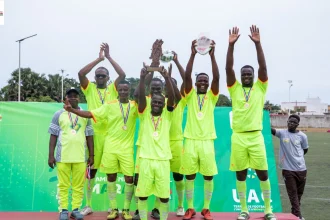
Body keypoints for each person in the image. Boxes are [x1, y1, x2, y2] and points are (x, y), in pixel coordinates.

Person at [64, 81, 137, 220]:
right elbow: (90, 114)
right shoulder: (109, 105)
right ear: (118, 91)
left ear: (129, 90)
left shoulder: (135, 105)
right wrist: (72, 110)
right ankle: (114, 208)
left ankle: (126, 210)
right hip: (110, 146)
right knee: (109, 176)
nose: (122, 92)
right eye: (120, 90)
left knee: (129, 178)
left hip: (126, 149)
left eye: (125, 90)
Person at [225, 25, 276, 220]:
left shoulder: (260, 88)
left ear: (254, 77)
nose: (247, 76)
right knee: (241, 175)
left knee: (263, 173)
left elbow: (263, 67)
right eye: (244, 74)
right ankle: (244, 209)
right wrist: (231, 46)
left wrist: (258, 44)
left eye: (249, 74)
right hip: (238, 137)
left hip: (256, 136)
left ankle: (268, 210)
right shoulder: (234, 88)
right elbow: (228, 68)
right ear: (240, 76)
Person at [78, 43, 126, 215]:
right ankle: (88, 204)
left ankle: (112, 205)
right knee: (91, 169)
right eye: (97, 75)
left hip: (111, 135)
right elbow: (81, 73)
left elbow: (122, 74)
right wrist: (98, 59)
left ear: (107, 78)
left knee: (111, 171)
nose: (100, 77)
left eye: (103, 75)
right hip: (93, 135)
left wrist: (109, 57)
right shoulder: (89, 88)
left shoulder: (113, 89)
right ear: (95, 78)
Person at [180, 39, 220, 220]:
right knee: (189, 175)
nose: (203, 82)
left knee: (208, 176)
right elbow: (186, 76)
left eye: (206, 80)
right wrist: (192, 54)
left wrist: (212, 56)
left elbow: (217, 78)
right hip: (190, 140)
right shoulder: (189, 96)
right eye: (200, 80)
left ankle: (206, 208)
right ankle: (190, 208)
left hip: (207, 141)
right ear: (195, 84)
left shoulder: (212, 97)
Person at [135, 64, 175, 220]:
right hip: (146, 159)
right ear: (150, 102)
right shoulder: (144, 114)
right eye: (154, 102)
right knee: (143, 195)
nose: (157, 104)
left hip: (163, 160)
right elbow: (140, 97)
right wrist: (142, 78)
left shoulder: (167, 116)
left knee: (164, 197)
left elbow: (171, 98)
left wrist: (166, 77)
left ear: (164, 105)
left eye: (160, 103)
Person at [48, 88, 94, 220]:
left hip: (80, 157)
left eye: (75, 96)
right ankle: (63, 210)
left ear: (79, 99)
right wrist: (51, 155)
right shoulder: (58, 114)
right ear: (65, 99)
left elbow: (89, 136)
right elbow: (53, 136)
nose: (73, 98)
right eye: (70, 96)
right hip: (63, 156)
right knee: (63, 185)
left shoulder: (84, 115)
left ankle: (75, 210)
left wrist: (91, 155)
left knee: (78, 185)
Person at [132, 66, 165, 220]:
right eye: (154, 88)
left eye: (159, 88)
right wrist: (143, 78)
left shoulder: (164, 104)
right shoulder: (147, 105)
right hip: (144, 147)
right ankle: (140, 210)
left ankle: (157, 209)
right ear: (150, 88)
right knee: (138, 179)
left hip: (162, 148)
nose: (157, 90)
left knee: (161, 184)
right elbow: (138, 95)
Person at [271, 114, 308, 220]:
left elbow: (305, 150)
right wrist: (265, 115)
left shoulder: (303, 136)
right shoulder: (282, 133)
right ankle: (298, 216)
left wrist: (296, 158)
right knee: (293, 194)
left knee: (299, 194)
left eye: (293, 122)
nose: (291, 124)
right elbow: (270, 130)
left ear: (297, 124)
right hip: (288, 170)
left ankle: (294, 214)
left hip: (302, 169)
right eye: (289, 122)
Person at [166, 51, 186, 216]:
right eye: (168, 85)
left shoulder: (180, 101)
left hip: (177, 142)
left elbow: (186, 79)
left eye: (174, 84)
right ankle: (161, 207)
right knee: (162, 176)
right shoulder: (160, 102)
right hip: (161, 143)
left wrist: (177, 62)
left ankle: (180, 205)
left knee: (178, 175)